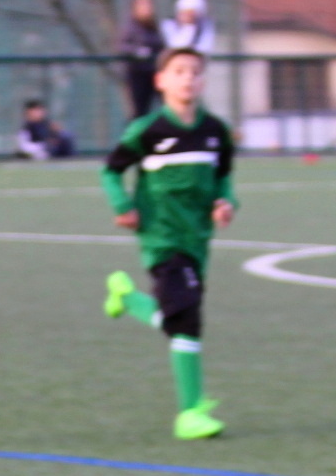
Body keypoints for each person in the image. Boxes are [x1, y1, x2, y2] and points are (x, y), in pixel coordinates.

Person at [99, 47, 236, 441]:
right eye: (179, 71)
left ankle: (127, 299)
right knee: (188, 320)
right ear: (160, 81)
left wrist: (226, 202)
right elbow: (111, 171)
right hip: (161, 237)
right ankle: (189, 413)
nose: (188, 78)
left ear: (203, 80)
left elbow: (224, 178)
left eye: (195, 71)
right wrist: (123, 205)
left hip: (198, 239)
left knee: (179, 319)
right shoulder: (148, 130)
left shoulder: (216, 132)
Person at [117, 0, 163, 120]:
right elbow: (122, 47)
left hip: (154, 72)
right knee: (139, 110)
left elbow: (161, 45)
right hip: (137, 74)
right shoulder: (130, 27)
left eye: (149, 6)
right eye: (143, 6)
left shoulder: (155, 27)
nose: (147, 9)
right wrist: (137, 51)